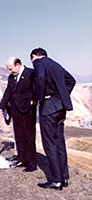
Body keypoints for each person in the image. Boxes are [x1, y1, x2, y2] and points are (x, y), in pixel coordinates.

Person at [30, 48, 76, 190]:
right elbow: (71, 81)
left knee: (50, 144)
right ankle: (64, 177)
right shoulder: (55, 64)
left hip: (49, 109)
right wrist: (60, 96)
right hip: (60, 108)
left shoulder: (38, 63)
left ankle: (56, 180)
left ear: (34, 57)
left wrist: (41, 98)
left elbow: (41, 78)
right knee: (60, 143)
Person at [0, 57, 37, 172]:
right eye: (8, 70)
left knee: (28, 137)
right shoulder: (11, 78)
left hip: (27, 110)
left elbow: (37, 88)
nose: (10, 72)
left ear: (18, 64)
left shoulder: (30, 73)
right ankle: (22, 159)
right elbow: (7, 93)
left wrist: (34, 100)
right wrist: (0, 108)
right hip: (16, 111)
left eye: (11, 69)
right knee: (19, 136)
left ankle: (32, 163)